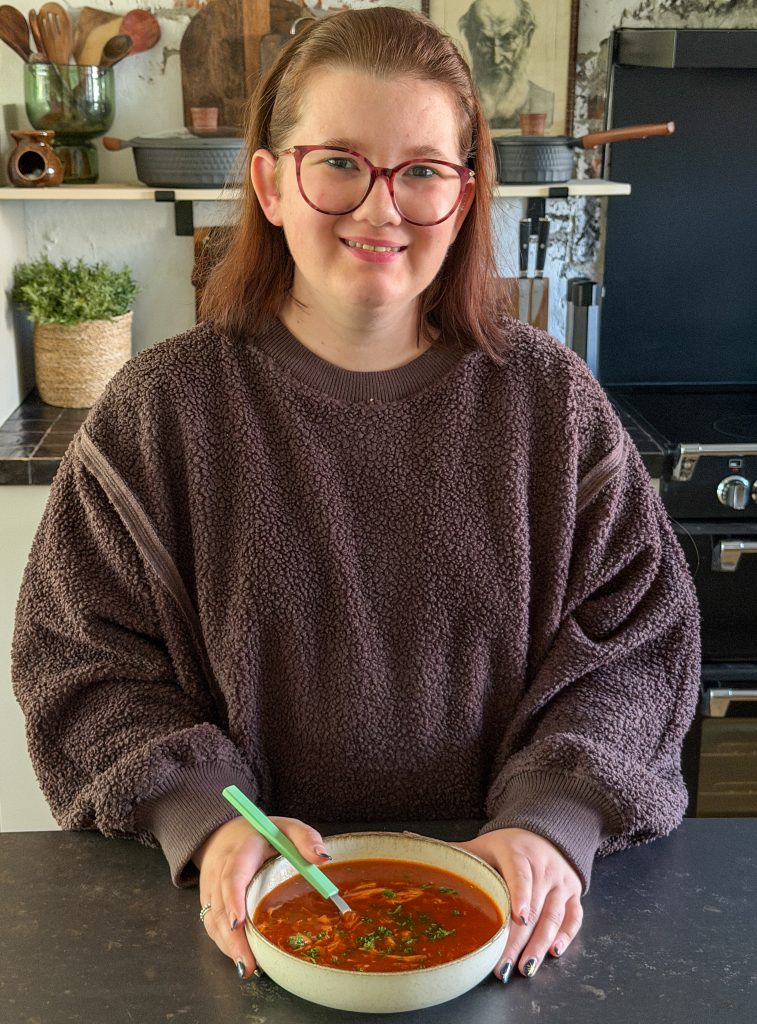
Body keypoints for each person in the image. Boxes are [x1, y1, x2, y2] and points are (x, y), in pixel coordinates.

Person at [12, 7, 700, 990]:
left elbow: (638, 646)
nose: (382, 209)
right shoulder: (159, 415)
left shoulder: (551, 407)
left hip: (511, 924)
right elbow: (79, 660)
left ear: (462, 199)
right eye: (339, 161)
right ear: (270, 182)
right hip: (239, 927)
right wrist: (205, 816)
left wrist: (554, 816)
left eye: (422, 170)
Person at [458, 0, 554, 129]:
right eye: (485, 42)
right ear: (470, 41)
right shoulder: (453, 104)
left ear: (528, 37)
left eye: (508, 40)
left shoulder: (546, 102)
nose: (496, 59)